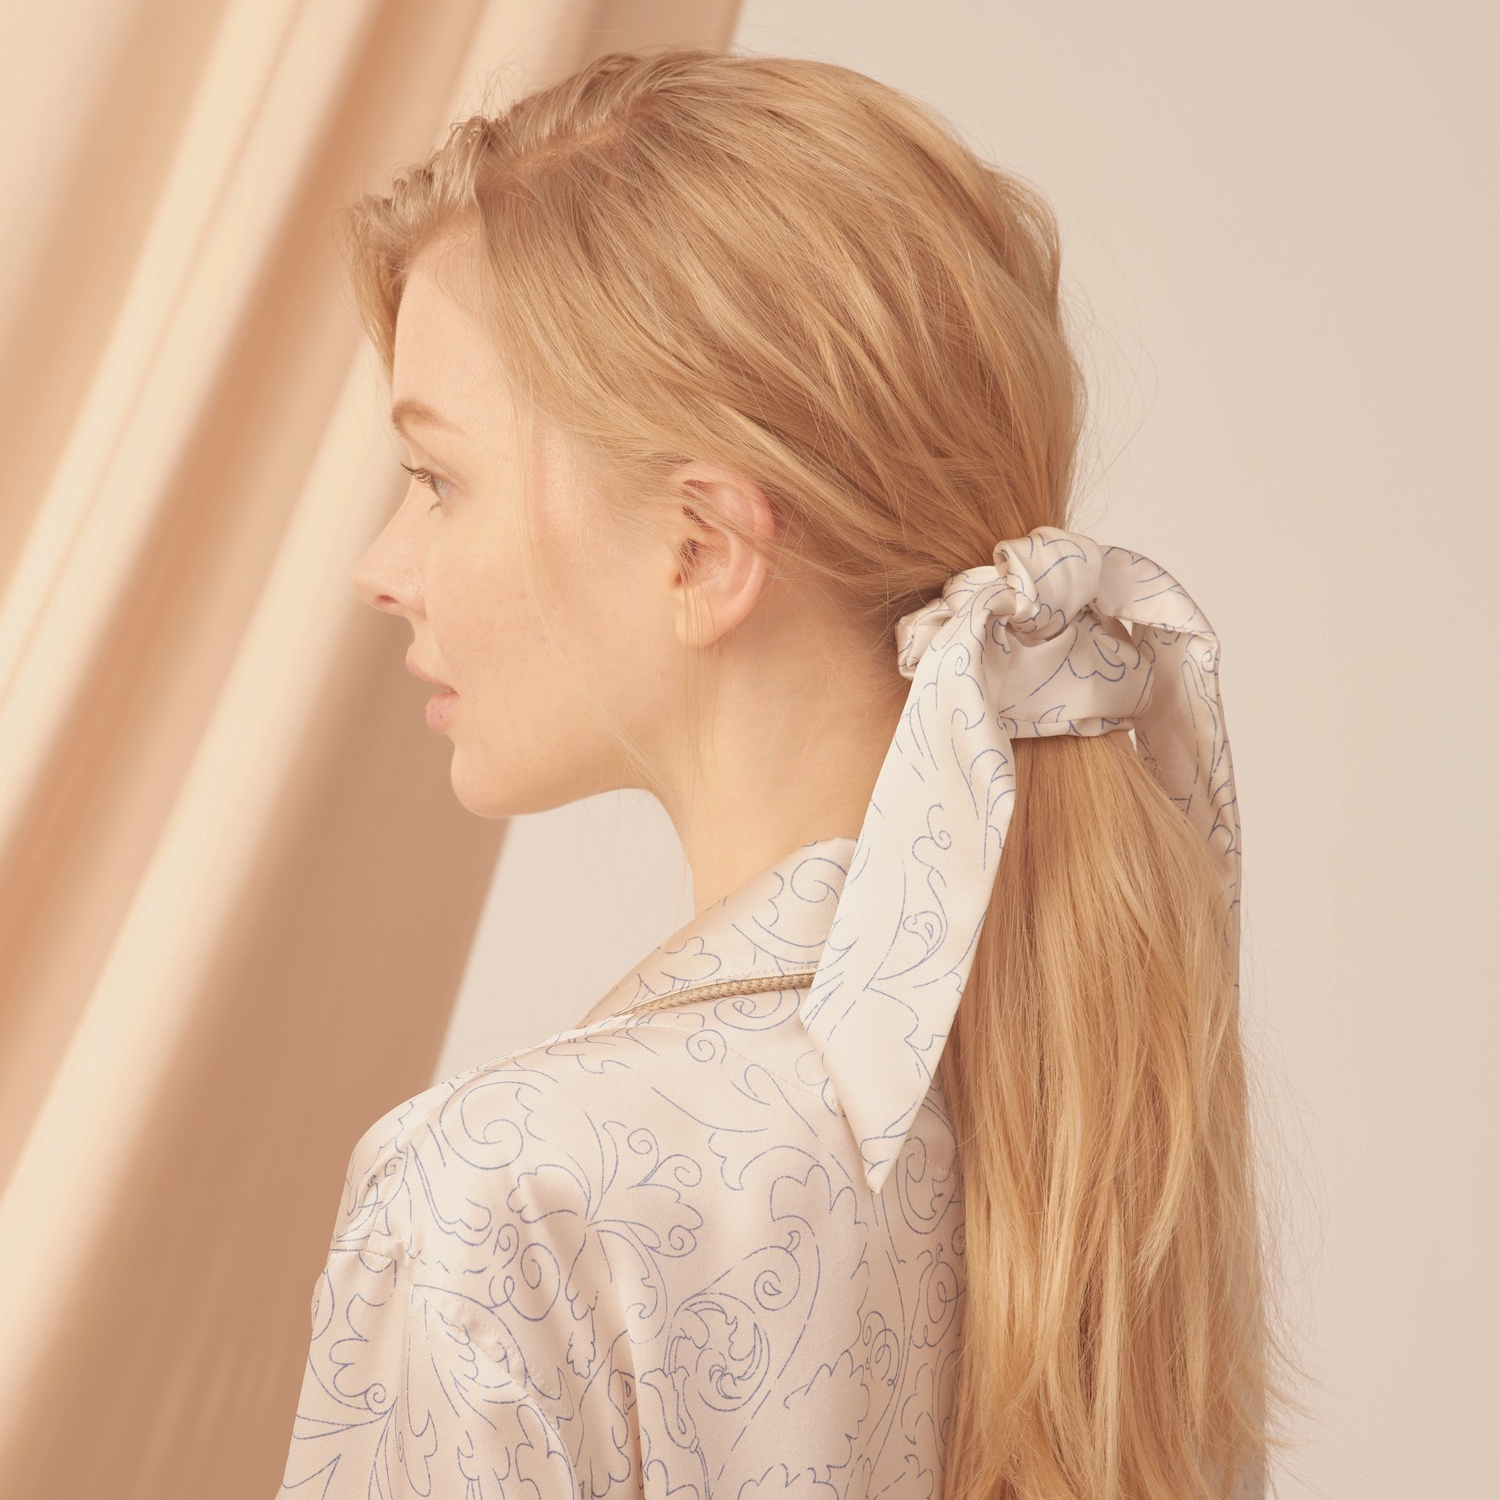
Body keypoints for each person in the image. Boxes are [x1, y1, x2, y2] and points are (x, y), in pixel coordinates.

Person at [275, 46, 1297, 1499]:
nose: (383, 569)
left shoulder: (500, 1197)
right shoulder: (1100, 1103)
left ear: (702, 549)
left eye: (440, 479)